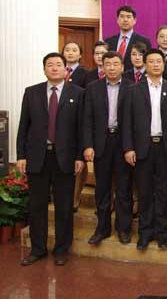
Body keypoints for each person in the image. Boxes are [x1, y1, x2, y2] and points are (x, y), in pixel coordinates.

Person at [17, 52, 85, 266]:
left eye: (58, 64)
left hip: (65, 157)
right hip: (37, 156)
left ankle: (62, 249)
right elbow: (23, 126)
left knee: (64, 206)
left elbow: (81, 128)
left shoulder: (78, 93)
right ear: (44, 69)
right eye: (50, 65)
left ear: (66, 69)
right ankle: (38, 249)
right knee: (37, 205)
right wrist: (21, 156)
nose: (54, 68)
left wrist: (79, 156)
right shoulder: (32, 92)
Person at [122, 49, 167, 251]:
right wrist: (128, 147)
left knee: (163, 192)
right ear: (145, 65)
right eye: (151, 61)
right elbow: (126, 122)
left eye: (159, 61)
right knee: (144, 192)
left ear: (164, 64)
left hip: (164, 147)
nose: (155, 65)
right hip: (141, 147)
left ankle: (163, 234)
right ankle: (145, 233)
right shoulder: (133, 90)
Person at [83, 51, 134, 245]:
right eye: (108, 64)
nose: (112, 68)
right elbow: (87, 119)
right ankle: (102, 228)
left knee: (124, 188)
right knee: (102, 188)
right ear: (102, 67)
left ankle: (123, 228)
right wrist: (88, 145)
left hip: (123, 142)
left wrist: (131, 146)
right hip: (101, 143)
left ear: (122, 67)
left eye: (115, 64)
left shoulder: (132, 87)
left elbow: (135, 120)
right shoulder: (92, 88)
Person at [62, 41, 89, 214]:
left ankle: (75, 197)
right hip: (61, 122)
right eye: (67, 50)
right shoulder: (59, 70)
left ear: (80, 55)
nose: (70, 53)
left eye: (74, 50)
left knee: (79, 160)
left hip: (79, 119)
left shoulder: (85, 73)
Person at [105, 5, 152, 71]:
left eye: (128, 17)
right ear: (117, 20)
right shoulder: (108, 42)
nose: (125, 20)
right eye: (122, 16)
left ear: (135, 20)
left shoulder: (144, 41)